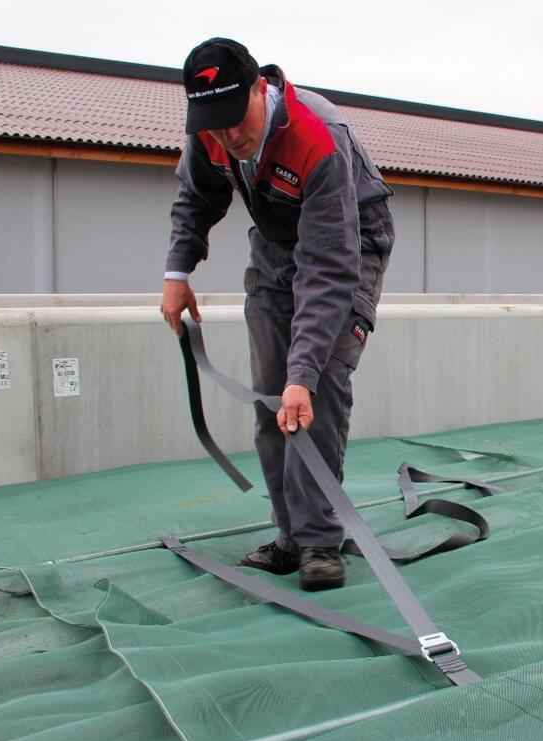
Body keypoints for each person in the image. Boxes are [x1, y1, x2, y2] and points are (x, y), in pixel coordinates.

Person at [160, 38, 394, 591]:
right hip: (274, 245)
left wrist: (304, 373)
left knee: (316, 389)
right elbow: (196, 197)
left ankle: (318, 542)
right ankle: (289, 537)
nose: (228, 138)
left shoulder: (319, 138)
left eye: (237, 123)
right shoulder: (211, 131)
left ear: (260, 88)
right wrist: (177, 274)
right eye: (214, 127)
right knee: (272, 394)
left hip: (349, 244)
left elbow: (328, 268)